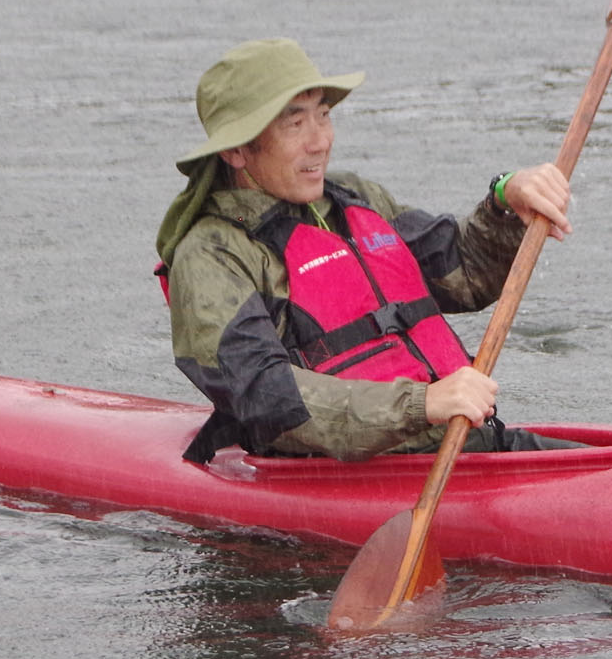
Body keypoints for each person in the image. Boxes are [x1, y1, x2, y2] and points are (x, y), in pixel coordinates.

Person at [155, 38, 577, 465]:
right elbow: (263, 394)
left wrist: (505, 203)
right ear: (237, 150)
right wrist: (421, 404)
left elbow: (464, 274)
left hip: (462, 448)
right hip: (344, 477)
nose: (319, 141)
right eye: (295, 124)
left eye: (323, 114)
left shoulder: (355, 198)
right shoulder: (210, 255)